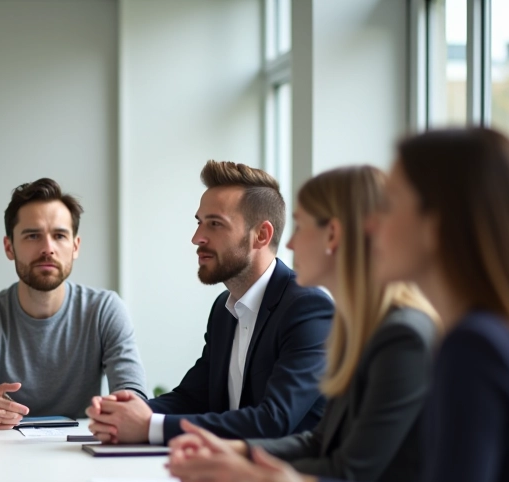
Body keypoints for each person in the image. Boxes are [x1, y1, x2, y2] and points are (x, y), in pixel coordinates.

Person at [236, 128, 509, 482]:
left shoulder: (473, 347)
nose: (370, 225)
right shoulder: (494, 335)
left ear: (438, 222)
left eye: (389, 206)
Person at [168, 166, 437, 482]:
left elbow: (352, 473)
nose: (291, 242)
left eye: (300, 225)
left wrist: (247, 476)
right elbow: (319, 442)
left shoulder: (401, 336)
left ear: (333, 234)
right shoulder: (360, 330)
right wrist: (235, 451)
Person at [87, 161, 334, 444]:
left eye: (215, 224)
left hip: (288, 480)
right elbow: (194, 397)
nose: (197, 238)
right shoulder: (224, 308)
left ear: (261, 235)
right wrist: (126, 413)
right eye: (199, 222)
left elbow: (274, 420)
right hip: (226, 473)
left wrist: (149, 426)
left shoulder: (307, 308)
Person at [0, 178, 148, 425]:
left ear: (75, 246)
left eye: (59, 235)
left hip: (77, 451)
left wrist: (119, 412)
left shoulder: (104, 309)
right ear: (9, 247)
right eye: (33, 236)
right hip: (2, 450)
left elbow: (134, 399)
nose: (48, 248)